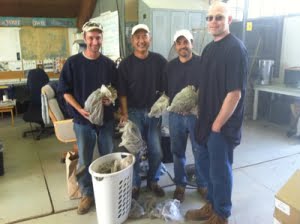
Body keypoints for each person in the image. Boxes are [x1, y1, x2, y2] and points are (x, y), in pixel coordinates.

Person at [185, 2, 248, 224]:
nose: (213, 22)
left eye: (219, 17)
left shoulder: (235, 49)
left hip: (221, 125)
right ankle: (211, 204)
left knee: (220, 171)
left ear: (229, 20)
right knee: (206, 167)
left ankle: (221, 214)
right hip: (205, 121)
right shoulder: (209, 49)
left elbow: (234, 94)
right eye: (210, 18)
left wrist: (217, 125)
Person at [58, 21, 117, 215]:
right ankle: (87, 194)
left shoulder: (108, 64)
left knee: (107, 156)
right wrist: (80, 109)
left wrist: (110, 100)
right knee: (84, 159)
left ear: (102, 38)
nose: (94, 41)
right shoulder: (73, 63)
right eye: (91, 38)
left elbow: (114, 90)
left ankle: (108, 189)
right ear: (85, 38)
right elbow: (65, 91)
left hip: (106, 122)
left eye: (98, 37)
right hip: (83, 122)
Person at [118, 24, 167, 200]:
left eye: (144, 36)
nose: (141, 40)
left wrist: (163, 103)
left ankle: (153, 181)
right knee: (134, 152)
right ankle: (135, 184)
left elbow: (166, 87)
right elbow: (122, 93)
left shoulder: (160, 61)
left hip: (153, 114)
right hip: (133, 113)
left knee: (156, 151)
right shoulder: (125, 65)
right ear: (132, 41)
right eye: (137, 37)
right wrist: (124, 113)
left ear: (150, 39)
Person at [163, 29, 207, 202]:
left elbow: (207, 87)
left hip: (195, 116)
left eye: (186, 42)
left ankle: (203, 185)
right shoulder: (169, 66)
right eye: (179, 43)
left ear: (192, 43)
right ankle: (180, 185)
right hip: (175, 117)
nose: (183, 46)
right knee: (177, 151)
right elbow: (166, 91)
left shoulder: (201, 63)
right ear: (175, 46)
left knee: (200, 150)